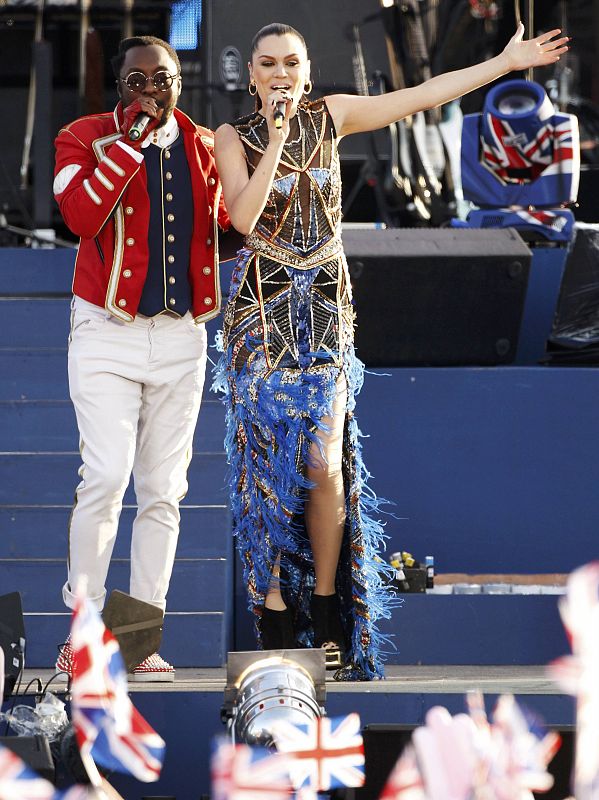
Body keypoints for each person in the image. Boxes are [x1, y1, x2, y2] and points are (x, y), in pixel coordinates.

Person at [213, 21, 568, 681]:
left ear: (307, 70)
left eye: (291, 62)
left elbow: (426, 95)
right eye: (268, 64)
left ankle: (323, 612)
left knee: (321, 463)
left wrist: (503, 60)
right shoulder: (232, 137)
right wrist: (278, 139)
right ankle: (274, 619)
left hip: (322, 310)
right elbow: (240, 216)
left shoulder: (333, 115)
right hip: (259, 318)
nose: (280, 73)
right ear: (253, 75)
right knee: (264, 475)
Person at [53, 35, 229, 681]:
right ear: (118, 84)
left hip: (182, 336)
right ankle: (83, 631)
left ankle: (135, 636)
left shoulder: (207, 145)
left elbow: (231, 227)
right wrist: (130, 140)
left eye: (164, 78)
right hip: (106, 329)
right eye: (136, 80)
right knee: (103, 477)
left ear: (182, 81)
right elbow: (77, 214)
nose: (152, 90)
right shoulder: (84, 135)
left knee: (163, 491)